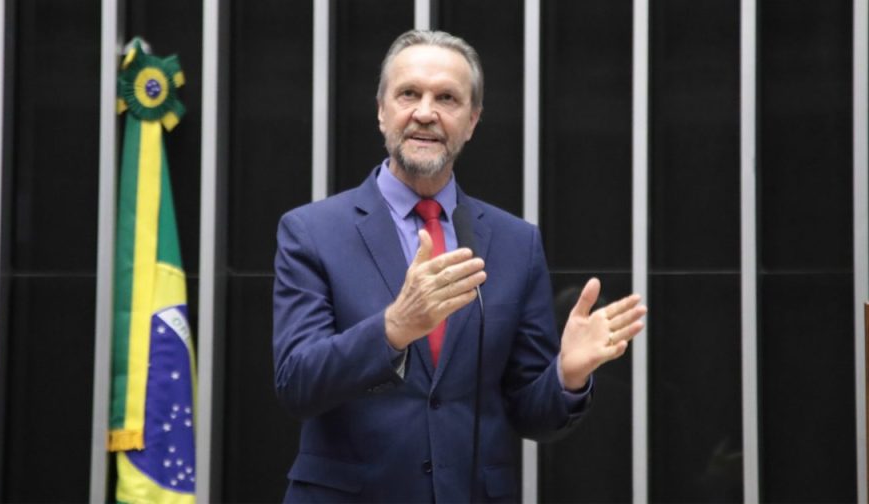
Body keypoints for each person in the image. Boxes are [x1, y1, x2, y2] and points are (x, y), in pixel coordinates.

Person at [272, 29, 646, 503]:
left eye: (447, 98)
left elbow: (531, 414)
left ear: (472, 121)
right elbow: (296, 383)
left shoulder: (515, 243)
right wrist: (394, 328)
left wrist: (567, 376)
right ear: (382, 111)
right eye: (409, 94)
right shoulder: (311, 231)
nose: (425, 112)